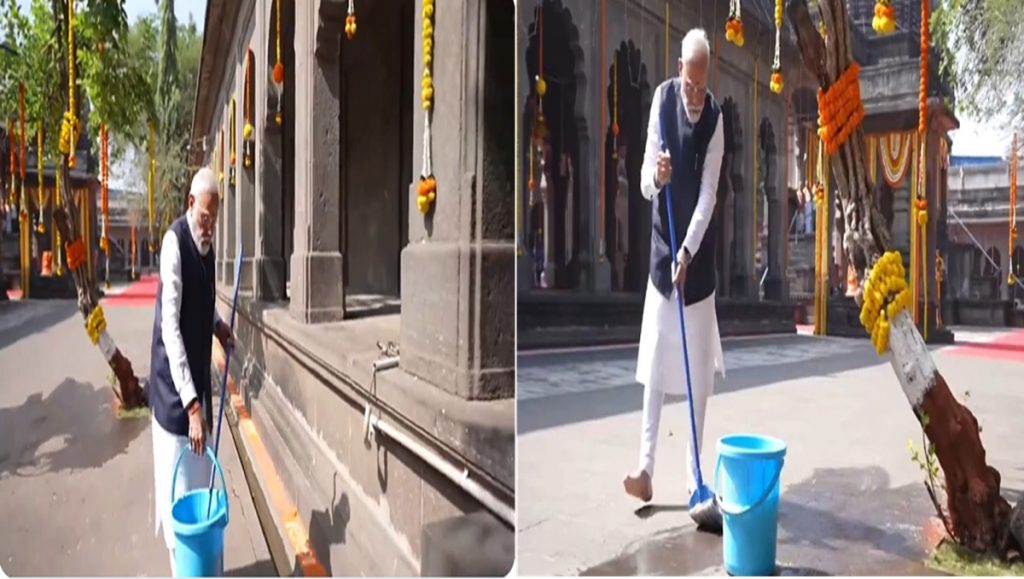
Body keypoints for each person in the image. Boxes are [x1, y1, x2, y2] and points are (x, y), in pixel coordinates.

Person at [624, 28, 726, 504]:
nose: (695, 95)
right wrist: (656, 176)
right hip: (663, 256)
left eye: (703, 87)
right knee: (655, 362)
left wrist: (689, 252)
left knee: (697, 374)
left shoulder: (716, 121)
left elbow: (708, 195)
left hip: (696, 262)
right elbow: (644, 178)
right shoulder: (661, 103)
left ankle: (693, 474)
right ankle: (644, 468)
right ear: (680, 68)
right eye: (690, 84)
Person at [149, 167, 234, 575]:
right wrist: (193, 406)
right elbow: (171, 326)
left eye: (214, 219)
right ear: (190, 205)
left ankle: (203, 564)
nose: (209, 227)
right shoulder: (174, 243)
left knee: (202, 483)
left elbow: (201, 299)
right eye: (204, 217)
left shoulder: (207, 247)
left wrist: (218, 325)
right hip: (174, 394)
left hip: (197, 386)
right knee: (178, 497)